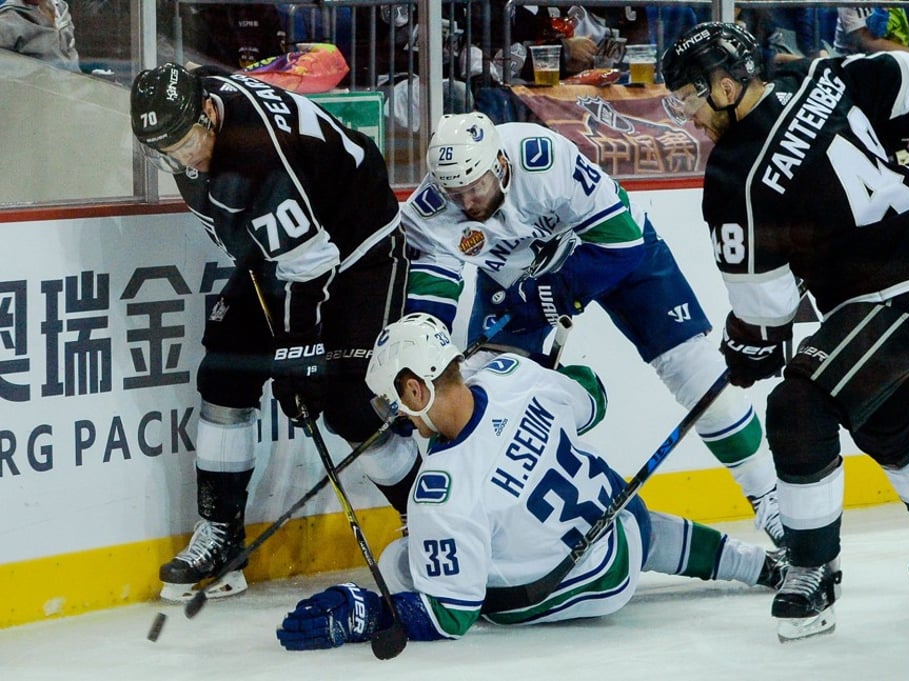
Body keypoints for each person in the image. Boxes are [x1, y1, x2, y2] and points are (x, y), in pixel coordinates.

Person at [661, 22, 909, 642]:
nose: (688, 115)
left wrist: (748, 350)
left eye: (689, 99)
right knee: (883, 418)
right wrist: (893, 144)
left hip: (899, 289)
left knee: (800, 401)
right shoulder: (824, 76)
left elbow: (768, 312)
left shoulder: (734, 175)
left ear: (724, 85)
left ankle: (810, 570)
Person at [275, 313, 788, 648]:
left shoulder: (442, 488)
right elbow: (594, 399)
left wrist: (365, 612)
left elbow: (450, 615)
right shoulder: (509, 376)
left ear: (415, 388)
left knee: (400, 562)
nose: (398, 418)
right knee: (624, 513)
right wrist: (551, 381)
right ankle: (761, 565)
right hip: (623, 535)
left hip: (562, 591)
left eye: (395, 403)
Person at [400, 111, 786, 548]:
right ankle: (456, 527)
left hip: (610, 256)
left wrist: (550, 294)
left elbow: (621, 243)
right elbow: (431, 301)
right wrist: (420, 362)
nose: (468, 203)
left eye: (476, 188)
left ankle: (772, 500)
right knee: (471, 391)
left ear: (499, 165)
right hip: (516, 284)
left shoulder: (540, 158)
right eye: (456, 193)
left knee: (696, 371)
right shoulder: (431, 210)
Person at [130, 62, 419, 601]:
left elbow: (310, 269)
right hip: (283, 251)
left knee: (350, 403)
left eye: (186, 141)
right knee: (224, 372)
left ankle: (426, 519)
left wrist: (299, 354)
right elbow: (279, 255)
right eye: (163, 150)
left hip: (359, 248)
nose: (180, 159)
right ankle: (220, 532)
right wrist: (292, 352)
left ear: (209, 115)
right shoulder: (201, 100)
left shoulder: (256, 159)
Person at [0, 0, 80, 71]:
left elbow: (70, 51)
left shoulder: (61, 9)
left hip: (75, 81)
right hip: (38, 84)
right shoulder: (8, 19)